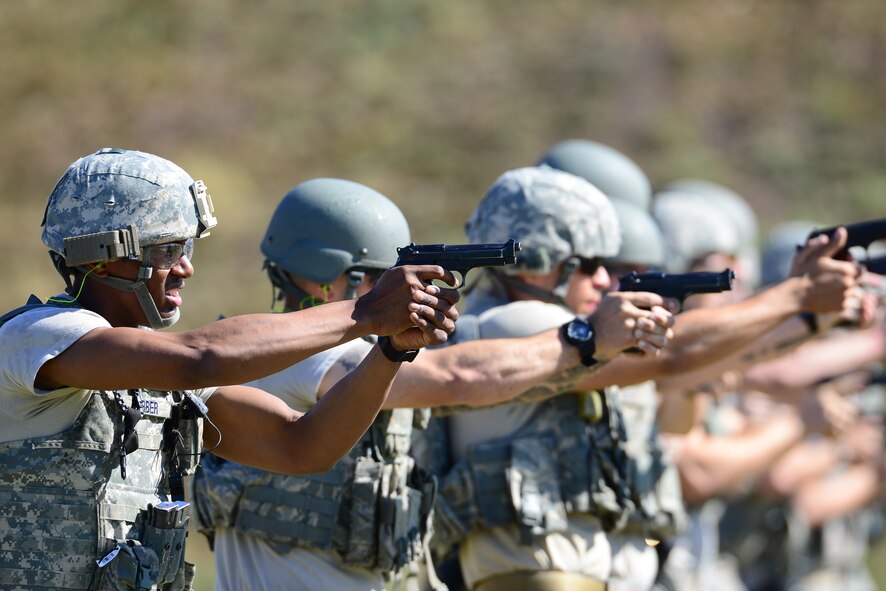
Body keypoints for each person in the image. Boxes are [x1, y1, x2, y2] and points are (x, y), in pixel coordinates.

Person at [0, 148, 460, 591]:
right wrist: (367, 312)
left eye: (188, 249)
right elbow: (202, 357)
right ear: (101, 255)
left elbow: (302, 446)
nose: (185, 269)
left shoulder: (153, 372)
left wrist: (390, 352)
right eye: (167, 249)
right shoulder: (39, 336)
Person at [191, 176, 679, 591]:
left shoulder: (277, 354)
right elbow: (458, 377)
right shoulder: (302, 356)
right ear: (334, 279)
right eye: (384, 280)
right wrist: (584, 338)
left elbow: (484, 383)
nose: (399, 295)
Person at [432, 157, 863, 591]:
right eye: (586, 263)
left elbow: (702, 362)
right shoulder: (518, 324)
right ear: (539, 260)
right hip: (538, 577)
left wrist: (809, 321)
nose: (604, 279)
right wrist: (796, 297)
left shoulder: (541, 331)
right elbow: (674, 356)